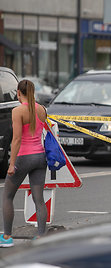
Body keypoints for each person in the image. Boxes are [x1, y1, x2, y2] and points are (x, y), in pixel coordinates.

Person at [1, 80, 48, 247]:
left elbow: (17, 139)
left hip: (24, 157)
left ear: (18, 92)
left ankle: (6, 237)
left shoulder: (17, 111)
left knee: (7, 196)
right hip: (40, 157)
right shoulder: (42, 109)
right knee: (39, 200)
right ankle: (41, 237)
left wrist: (12, 163)